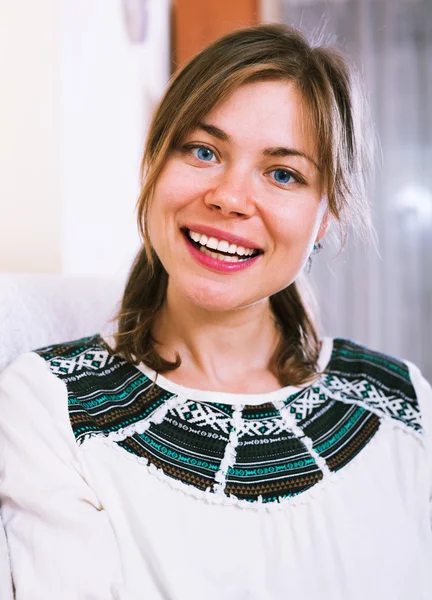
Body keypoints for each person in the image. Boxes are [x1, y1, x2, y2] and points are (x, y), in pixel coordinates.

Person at [0, 24, 431, 600]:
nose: (230, 197)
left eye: (283, 174)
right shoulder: (50, 402)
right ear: (153, 164)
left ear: (325, 217)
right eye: (203, 151)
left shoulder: (404, 403)